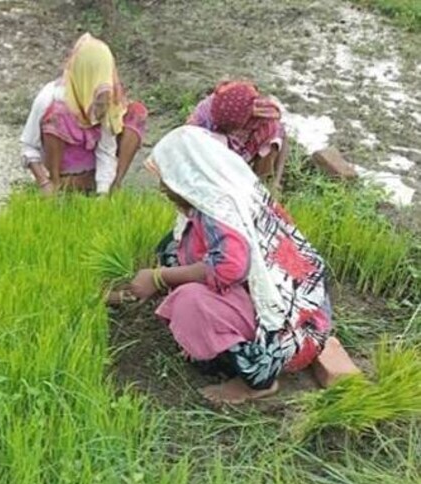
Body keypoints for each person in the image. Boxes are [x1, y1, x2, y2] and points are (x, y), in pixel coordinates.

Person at [115, 126, 331, 405]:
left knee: (191, 302)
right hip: (277, 305)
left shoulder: (221, 211)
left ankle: (256, 381)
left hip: (289, 333)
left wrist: (159, 278)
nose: (162, 188)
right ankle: (217, 332)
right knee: (171, 248)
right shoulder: (220, 194)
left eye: (166, 178)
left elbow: (229, 267)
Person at [20, 33, 147, 195]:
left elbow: (106, 150)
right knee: (57, 115)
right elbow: (28, 146)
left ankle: (114, 186)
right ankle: (57, 183)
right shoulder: (51, 96)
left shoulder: (105, 98)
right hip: (63, 166)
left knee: (136, 112)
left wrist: (103, 192)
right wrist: (44, 182)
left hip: (92, 168)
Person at [186, 80, 287, 191]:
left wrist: (276, 182)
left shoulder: (263, 116)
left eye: (231, 128)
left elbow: (282, 136)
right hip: (212, 151)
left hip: (241, 152)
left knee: (272, 140)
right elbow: (186, 140)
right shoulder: (208, 110)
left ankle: (258, 185)